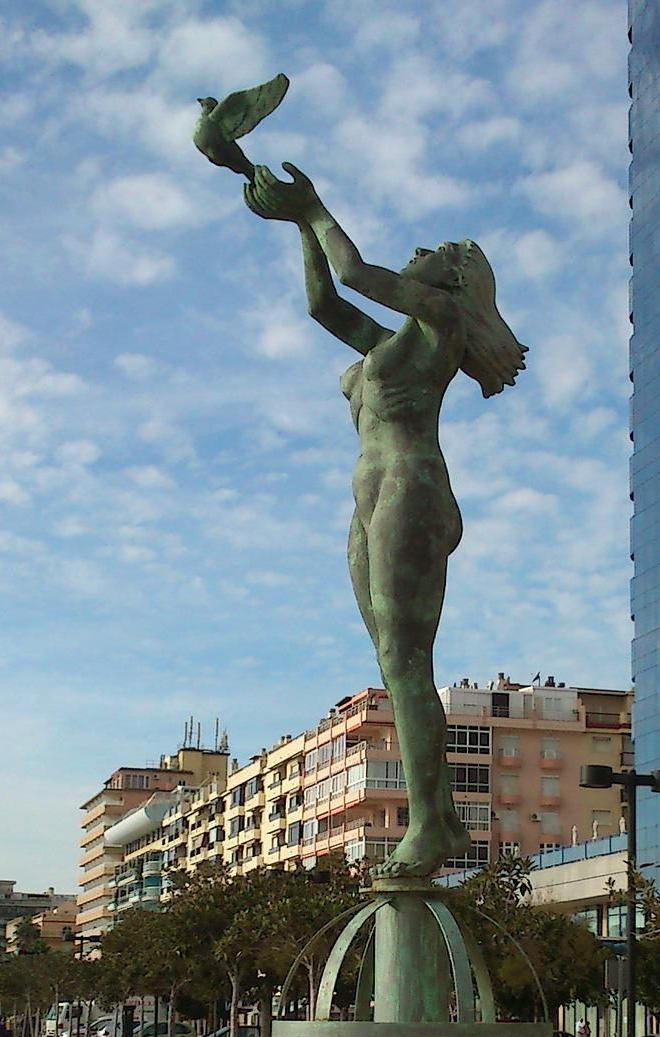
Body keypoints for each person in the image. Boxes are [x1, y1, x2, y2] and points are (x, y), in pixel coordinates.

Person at [242, 161, 525, 877]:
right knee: (392, 663)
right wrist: (297, 226)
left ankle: (432, 824)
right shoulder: (391, 344)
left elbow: (359, 272)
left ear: (454, 277)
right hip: (370, 496)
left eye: (432, 249)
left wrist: (314, 208)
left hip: (412, 486)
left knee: (406, 662)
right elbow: (324, 304)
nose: (416, 252)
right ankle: (443, 819)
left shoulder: (444, 322)